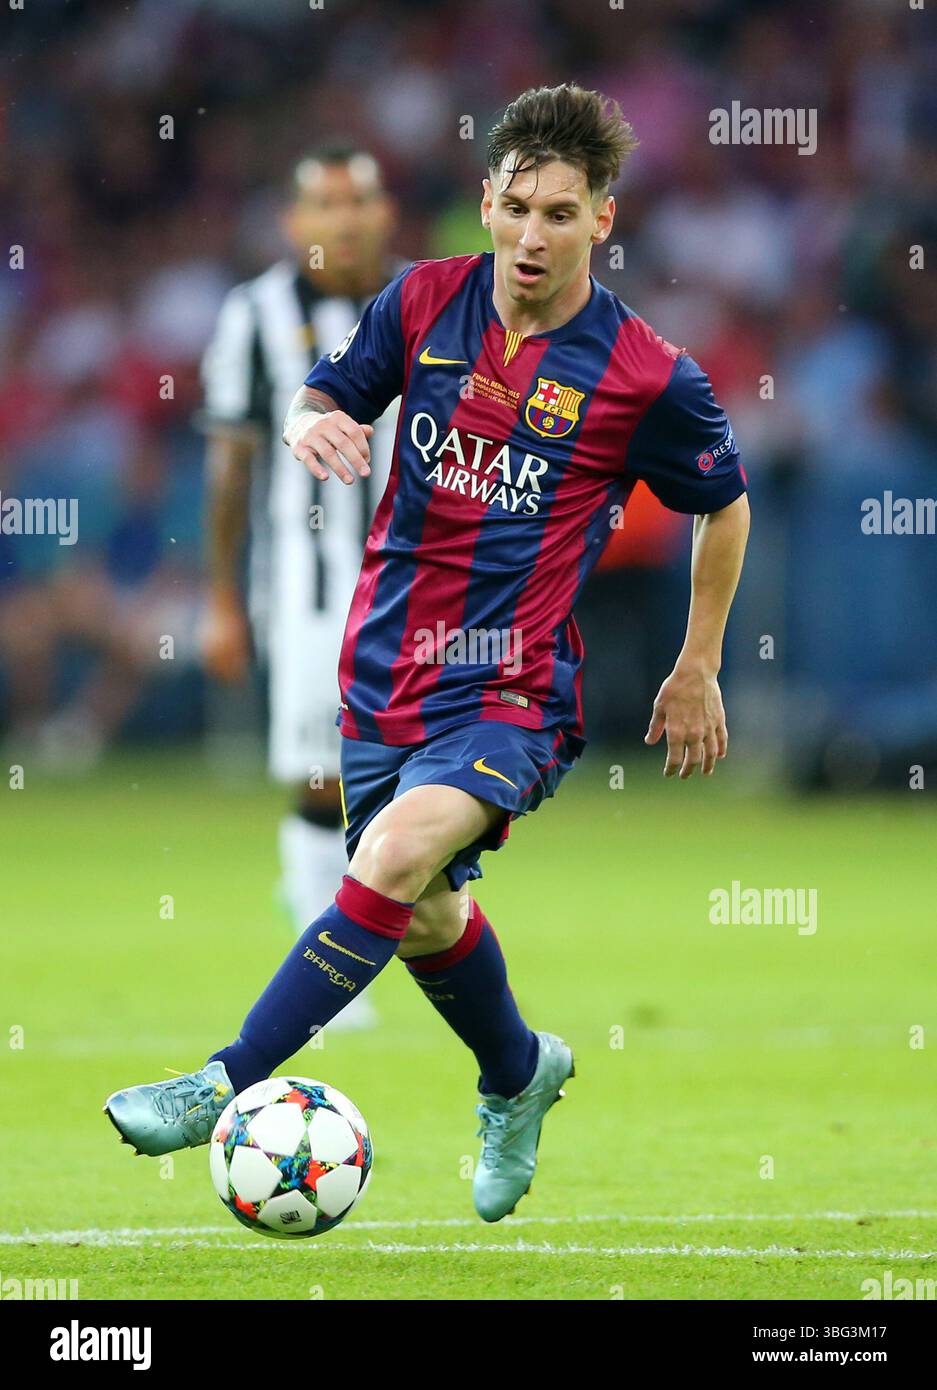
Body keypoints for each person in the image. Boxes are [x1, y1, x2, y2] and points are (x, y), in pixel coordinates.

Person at [105, 84, 750, 1225]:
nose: (530, 236)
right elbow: (324, 391)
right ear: (485, 203)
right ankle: (518, 1072)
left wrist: (697, 660)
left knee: (391, 858)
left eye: (560, 212)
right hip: (383, 674)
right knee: (425, 914)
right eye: (513, 207)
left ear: (603, 218)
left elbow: (723, 502)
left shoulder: (647, 373)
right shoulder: (422, 299)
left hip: (512, 686)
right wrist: (311, 420)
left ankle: (220, 1082)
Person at [199, 144, 401, 1029]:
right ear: (293, 221)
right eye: (324, 201)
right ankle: (330, 963)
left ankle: (346, 925)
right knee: (325, 777)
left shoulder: (427, 305)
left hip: (418, 580)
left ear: (383, 212)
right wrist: (220, 602)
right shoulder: (255, 314)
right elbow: (230, 467)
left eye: (358, 199)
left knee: (410, 783)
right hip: (310, 579)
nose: (344, 217)